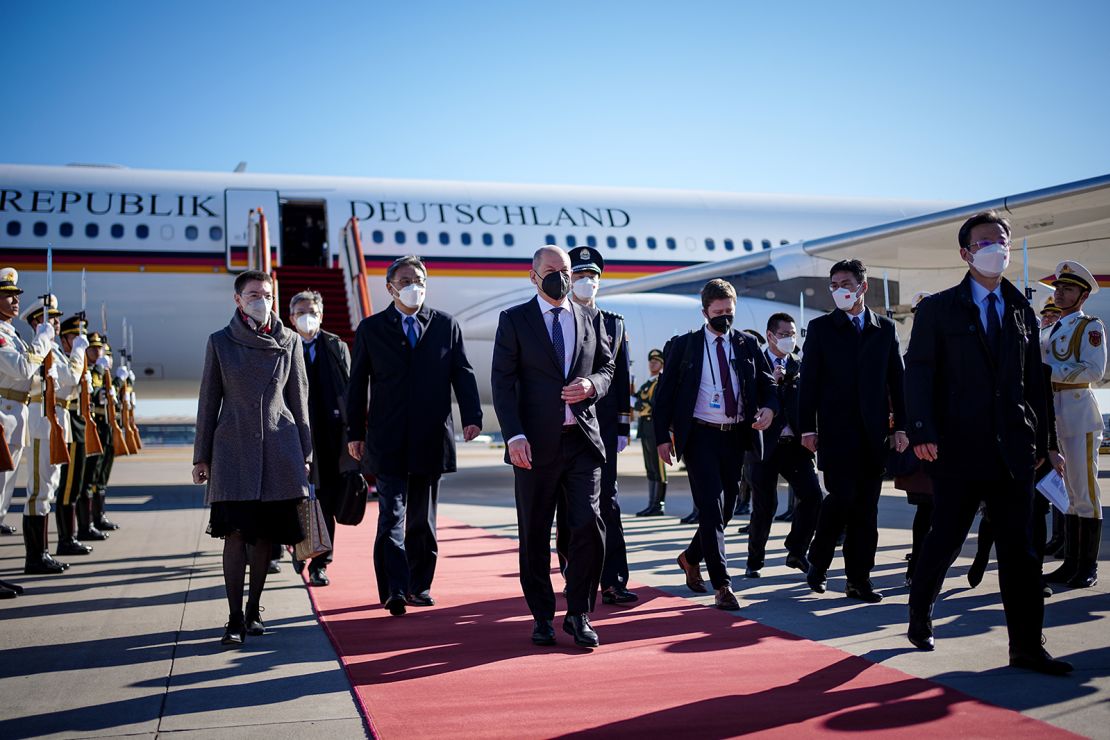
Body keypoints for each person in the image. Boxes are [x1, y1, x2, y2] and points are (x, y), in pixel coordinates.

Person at [904, 211, 1071, 675]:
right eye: (984, 241)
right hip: (957, 447)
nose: (996, 247)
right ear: (965, 253)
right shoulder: (938, 309)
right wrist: (922, 431)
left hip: (1014, 448)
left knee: (1022, 550)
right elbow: (919, 373)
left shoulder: (1021, 308)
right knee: (946, 539)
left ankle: (1027, 647)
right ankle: (920, 612)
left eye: (1002, 239)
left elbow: (1034, 383)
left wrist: (1049, 442)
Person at [491, 246, 614, 648]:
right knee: (535, 533)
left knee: (588, 526)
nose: (561, 277)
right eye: (551, 270)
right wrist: (514, 435)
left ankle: (579, 613)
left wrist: (593, 385)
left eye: (565, 270)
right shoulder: (514, 320)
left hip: (581, 441)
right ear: (533, 276)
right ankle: (542, 615)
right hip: (534, 446)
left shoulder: (588, 315)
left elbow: (608, 367)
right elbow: (503, 383)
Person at [347, 256, 482, 616]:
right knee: (391, 515)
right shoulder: (372, 329)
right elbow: (357, 385)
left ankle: (419, 586)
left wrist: (472, 417)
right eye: (405, 280)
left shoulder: (444, 325)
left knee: (422, 520)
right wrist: (354, 433)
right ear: (390, 287)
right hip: (387, 437)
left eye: (418, 279)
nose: (413, 285)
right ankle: (394, 589)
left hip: (430, 437)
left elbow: (462, 374)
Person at [192, 269, 313, 646]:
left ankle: (254, 609)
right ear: (238, 300)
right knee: (235, 535)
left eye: (267, 294)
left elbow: (299, 400)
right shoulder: (220, 342)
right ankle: (232, 616)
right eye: (254, 294)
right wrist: (202, 456)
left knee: (264, 538)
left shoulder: (289, 340)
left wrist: (305, 454)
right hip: (233, 450)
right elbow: (208, 402)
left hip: (278, 448)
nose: (262, 300)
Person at [655, 279, 776, 611]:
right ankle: (722, 584)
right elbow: (663, 395)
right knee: (710, 506)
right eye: (718, 312)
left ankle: (691, 557)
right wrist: (662, 438)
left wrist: (770, 408)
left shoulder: (747, 344)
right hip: (700, 435)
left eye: (729, 312)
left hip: (735, 434)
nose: (724, 318)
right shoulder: (685, 346)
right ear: (705, 311)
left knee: (726, 508)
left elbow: (768, 385)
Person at [800, 259, 907, 603]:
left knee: (867, 509)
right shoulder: (820, 329)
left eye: (845, 282)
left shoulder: (885, 329)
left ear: (862, 286)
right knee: (841, 499)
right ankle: (818, 561)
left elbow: (897, 382)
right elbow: (809, 385)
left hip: (873, 435)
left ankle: (858, 579)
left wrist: (902, 426)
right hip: (835, 432)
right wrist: (806, 428)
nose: (838, 290)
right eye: (833, 285)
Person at [556, 247, 636, 604]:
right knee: (569, 506)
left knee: (609, 504)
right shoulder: (558, 320)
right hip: (568, 428)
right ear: (569, 280)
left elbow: (621, 379)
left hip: (602, 430)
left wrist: (622, 428)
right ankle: (575, 574)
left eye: (593, 277)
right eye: (580, 276)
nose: (588, 283)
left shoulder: (614, 323)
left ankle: (614, 580)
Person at [1041, 260, 1105, 589]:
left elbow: (1094, 370)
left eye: (1068, 289)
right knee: (1067, 493)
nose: (1061, 294)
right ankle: (1070, 563)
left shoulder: (1089, 327)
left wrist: (1050, 374)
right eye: (1059, 288)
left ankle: (1087, 567)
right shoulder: (1052, 328)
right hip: (1054, 413)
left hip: (1079, 412)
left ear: (1082, 296)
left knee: (1085, 492)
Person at [745, 313, 821, 579]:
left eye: (793, 335)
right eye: (784, 334)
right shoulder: (755, 363)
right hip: (764, 445)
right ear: (770, 335)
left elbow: (810, 401)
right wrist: (773, 384)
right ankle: (754, 559)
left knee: (812, 495)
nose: (789, 339)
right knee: (765, 506)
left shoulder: (800, 365)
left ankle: (796, 550)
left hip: (795, 445)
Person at [289, 290, 356, 587]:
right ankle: (294, 546)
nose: (307, 317)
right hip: (293, 436)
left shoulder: (335, 346)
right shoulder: (283, 346)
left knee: (325, 501)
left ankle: (320, 562)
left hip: (329, 437)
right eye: (301, 311)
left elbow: (349, 389)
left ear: (321, 315)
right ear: (291, 318)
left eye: (312, 311)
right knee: (292, 499)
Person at [0, 269, 57, 592]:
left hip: (14, 415)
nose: (15, 300)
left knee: (3, 499)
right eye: (8, 295)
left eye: (16, 294)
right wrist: (46, 338)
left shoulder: (10, 332)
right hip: (4, 414)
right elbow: (22, 368)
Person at [19, 297, 84, 574]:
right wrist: (79, 353)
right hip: (41, 419)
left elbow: (71, 386)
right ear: (37, 322)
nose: (56, 323)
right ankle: (35, 557)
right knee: (39, 489)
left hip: (56, 418)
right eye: (51, 319)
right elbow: (69, 378)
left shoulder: (52, 351)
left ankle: (42, 552)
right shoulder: (40, 347)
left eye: (56, 319)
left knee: (49, 488)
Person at [634, 348, 667, 516]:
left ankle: (658, 504)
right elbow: (637, 400)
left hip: (654, 426)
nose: (652, 363)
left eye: (656, 361)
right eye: (651, 361)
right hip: (645, 426)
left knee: (658, 465)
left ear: (662, 364)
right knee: (650, 466)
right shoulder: (647, 383)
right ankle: (651, 503)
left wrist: (639, 403)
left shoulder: (659, 382)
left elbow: (652, 404)